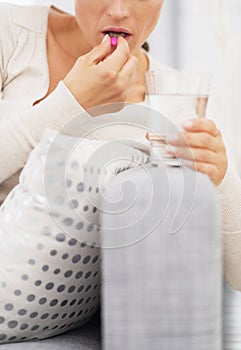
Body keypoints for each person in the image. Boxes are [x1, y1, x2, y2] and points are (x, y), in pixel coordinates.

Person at [0, 0, 241, 343]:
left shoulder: (173, 96)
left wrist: (222, 177)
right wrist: (70, 102)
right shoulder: (12, 31)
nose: (118, 11)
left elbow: (239, 276)